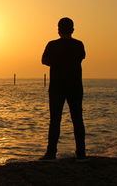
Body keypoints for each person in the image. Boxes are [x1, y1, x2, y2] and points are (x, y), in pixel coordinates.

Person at [40, 17, 86, 160]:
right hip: (75, 87)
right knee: (77, 119)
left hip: (57, 87)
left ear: (59, 30)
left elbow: (44, 60)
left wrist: (57, 61)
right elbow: (80, 57)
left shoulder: (52, 45)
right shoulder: (78, 45)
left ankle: (51, 153)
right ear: (72, 30)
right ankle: (81, 152)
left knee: (55, 120)